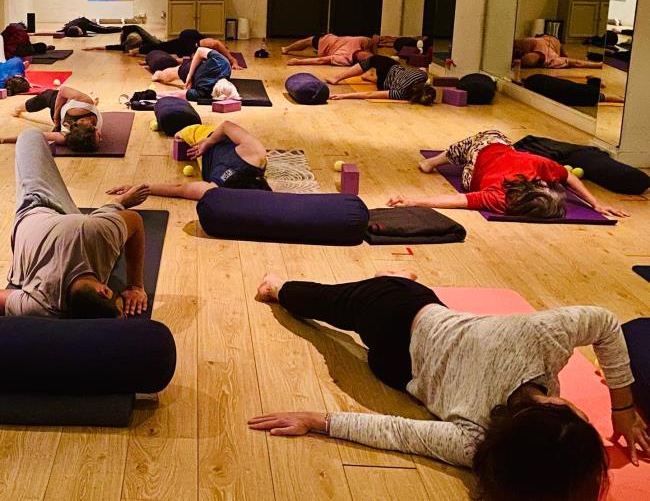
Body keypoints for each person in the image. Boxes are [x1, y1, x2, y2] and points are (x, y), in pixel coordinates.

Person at [249, 271, 650, 500]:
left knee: (353, 304)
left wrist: (316, 420)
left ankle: (298, 287)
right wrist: (624, 408)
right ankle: (276, 286)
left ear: (557, 406)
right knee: (323, 300)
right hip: (403, 325)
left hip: (397, 334)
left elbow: (395, 432)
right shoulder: (478, 442)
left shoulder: (538, 340)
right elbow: (605, 323)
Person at [0, 129, 150, 318]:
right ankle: (115, 204)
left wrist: (134, 287)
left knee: (29, 135)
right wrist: (135, 286)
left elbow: (135, 221)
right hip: (75, 223)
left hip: (36, 205)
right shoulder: (38, 305)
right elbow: (134, 221)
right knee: (97, 225)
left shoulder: (42, 304)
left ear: (104, 290)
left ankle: (115, 205)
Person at [390, 130, 628, 218]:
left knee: (483, 138)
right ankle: (438, 160)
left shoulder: (533, 167)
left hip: (483, 153)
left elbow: (455, 200)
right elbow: (570, 178)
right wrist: (595, 204)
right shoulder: (503, 197)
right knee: (483, 145)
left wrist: (413, 201)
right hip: (478, 171)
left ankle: (434, 161)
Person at [107, 120, 271, 202]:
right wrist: (208, 142)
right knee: (181, 128)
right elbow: (226, 126)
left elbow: (180, 189)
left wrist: (136, 188)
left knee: (179, 134)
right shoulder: (255, 153)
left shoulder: (215, 190)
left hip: (199, 149)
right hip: (207, 136)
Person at [5, 85, 103, 153]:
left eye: (99, 137)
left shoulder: (64, 136)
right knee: (48, 96)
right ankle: (19, 108)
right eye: (98, 136)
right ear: (91, 127)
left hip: (61, 120)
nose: (102, 138)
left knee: (47, 95)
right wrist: (56, 116)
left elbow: (34, 136)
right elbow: (62, 90)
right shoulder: (84, 103)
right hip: (61, 107)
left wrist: (4, 140)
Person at [326, 54, 436, 105]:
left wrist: (343, 96)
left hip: (391, 70)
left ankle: (337, 78)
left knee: (374, 59)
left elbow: (369, 95)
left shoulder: (422, 76)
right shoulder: (401, 94)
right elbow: (370, 94)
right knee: (388, 81)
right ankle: (369, 77)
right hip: (384, 83)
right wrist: (342, 96)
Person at [151, 46, 242, 101]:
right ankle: (158, 74)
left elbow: (177, 94)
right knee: (164, 76)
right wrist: (189, 75)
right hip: (189, 68)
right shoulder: (222, 62)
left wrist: (155, 95)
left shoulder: (204, 92)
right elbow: (200, 50)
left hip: (197, 76)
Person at [282, 33, 378, 67]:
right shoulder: (363, 41)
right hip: (329, 38)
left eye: (366, 57)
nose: (367, 54)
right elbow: (373, 40)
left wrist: (298, 62)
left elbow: (321, 61)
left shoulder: (345, 58)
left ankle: (286, 49)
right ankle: (286, 49)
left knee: (307, 42)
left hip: (325, 45)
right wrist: (375, 50)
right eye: (368, 53)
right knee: (306, 42)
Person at [513, 35, 602, 70]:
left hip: (541, 43)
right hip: (544, 45)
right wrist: (597, 65)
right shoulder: (551, 56)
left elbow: (574, 61)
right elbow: (576, 63)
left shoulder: (549, 53)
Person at [83, 24, 161, 55]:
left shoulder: (136, 40)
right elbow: (114, 47)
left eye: (122, 32)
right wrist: (94, 47)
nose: (120, 34)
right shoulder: (128, 45)